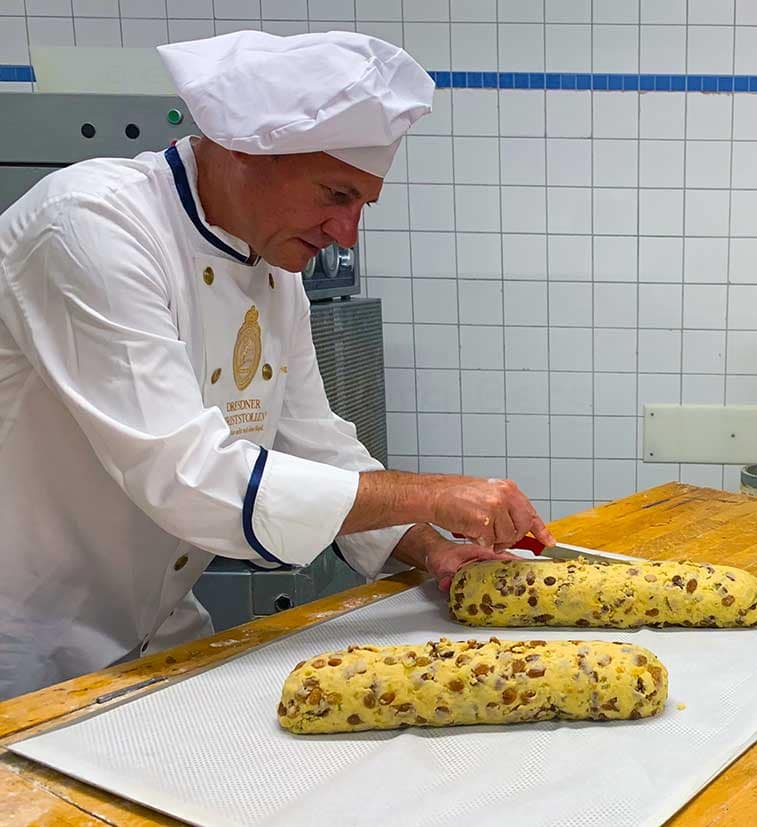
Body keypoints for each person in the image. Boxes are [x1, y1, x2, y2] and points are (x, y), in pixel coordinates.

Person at [0, 30, 553, 701]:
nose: (346, 234)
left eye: (362, 206)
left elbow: (316, 444)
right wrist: (433, 491)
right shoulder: (89, 227)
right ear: (243, 148)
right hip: (30, 648)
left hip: (157, 629)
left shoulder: (271, 266)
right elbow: (189, 476)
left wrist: (429, 546)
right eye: (336, 194)